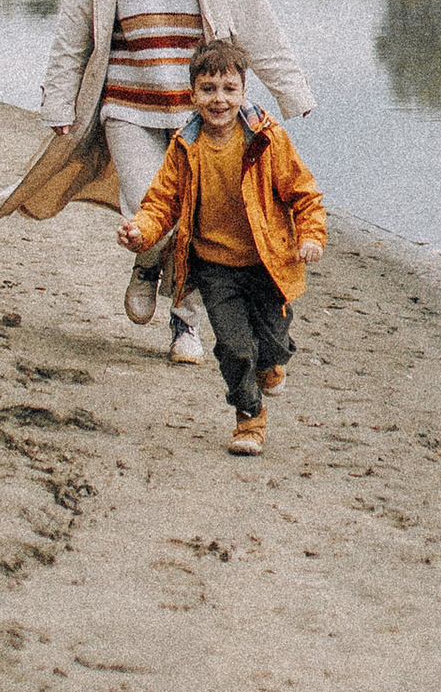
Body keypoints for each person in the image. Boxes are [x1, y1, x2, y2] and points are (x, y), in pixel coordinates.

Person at [39, 0, 315, 366]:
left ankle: (184, 327)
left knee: (196, 219)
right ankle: (146, 263)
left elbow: (255, 17)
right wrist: (59, 99)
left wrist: (291, 90)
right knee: (152, 212)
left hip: (202, 111)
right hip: (126, 103)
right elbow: (74, 25)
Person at [118, 37, 326, 453]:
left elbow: (303, 192)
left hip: (267, 262)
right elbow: (162, 200)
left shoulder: (266, 139)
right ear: (192, 93)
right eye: (208, 90)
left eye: (229, 90)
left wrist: (311, 235)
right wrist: (142, 229)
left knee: (271, 344)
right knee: (233, 347)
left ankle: (273, 362)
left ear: (243, 91)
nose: (219, 100)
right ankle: (249, 418)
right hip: (215, 267)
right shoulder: (185, 146)